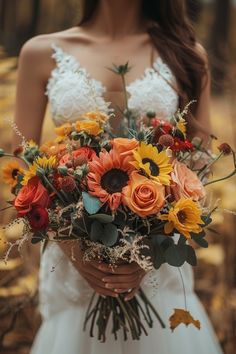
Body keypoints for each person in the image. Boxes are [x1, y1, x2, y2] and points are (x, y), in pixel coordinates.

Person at [13, 1, 223, 353]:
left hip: (157, 261)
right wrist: (75, 248)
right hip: (72, 263)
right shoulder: (40, 52)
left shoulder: (187, 55)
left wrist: (145, 250)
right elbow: (22, 170)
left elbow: (199, 168)